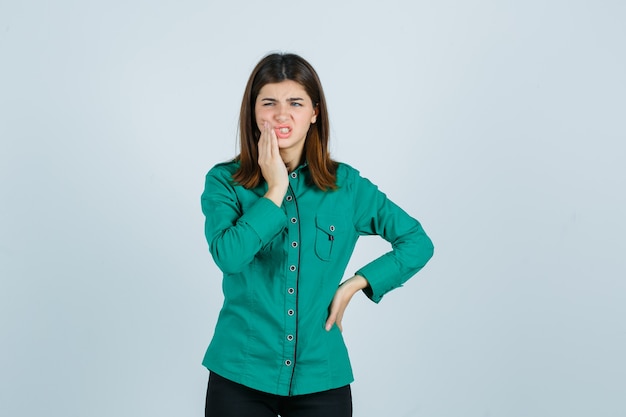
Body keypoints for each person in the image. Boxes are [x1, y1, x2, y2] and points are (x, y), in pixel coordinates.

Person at [200, 52, 434, 417]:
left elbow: (417, 241)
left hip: (321, 376)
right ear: (253, 112)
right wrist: (275, 189)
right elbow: (229, 256)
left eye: (295, 102)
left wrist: (358, 283)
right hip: (240, 374)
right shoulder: (224, 182)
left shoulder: (347, 187)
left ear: (314, 112)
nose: (281, 114)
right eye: (269, 103)